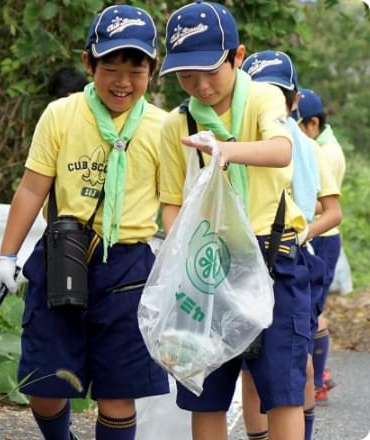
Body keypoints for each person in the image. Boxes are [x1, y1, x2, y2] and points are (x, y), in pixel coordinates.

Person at [0, 5, 169, 440]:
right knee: (44, 386)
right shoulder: (61, 115)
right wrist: (6, 256)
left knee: (117, 393)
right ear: (89, 63)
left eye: (136, 68)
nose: (123, 81)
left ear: (153, 70)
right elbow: (33, 189)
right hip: (63, 258)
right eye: (110, 66)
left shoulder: (163, 127)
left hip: (129, 268)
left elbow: (173, 206)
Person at [159, 3, 311, 440]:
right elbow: (172, 203)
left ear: (237, 57)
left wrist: (225, 150)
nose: (201, 86)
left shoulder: (264, 97)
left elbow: (281, 150)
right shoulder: (178, 124)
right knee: (205, 386)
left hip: (272, 257)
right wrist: (181, 255)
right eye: (188, 76)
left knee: (281, 388)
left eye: (211, 71)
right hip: (208, 266)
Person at [240, 50, 342, 440]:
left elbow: (331, 211)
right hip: (249, 260)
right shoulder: (247, 142)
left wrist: (302, 233)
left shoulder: (307, 147)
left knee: (298, 364)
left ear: (294, 100)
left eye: (280, 94)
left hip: (295, 259)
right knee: (251, 367)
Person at [298, 88, 346, 403]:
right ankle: (318, 375)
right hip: (320, 237)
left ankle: (317, 377)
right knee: (315, 308)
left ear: (313, 124)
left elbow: (322, 204)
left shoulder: (323, 152)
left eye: (297, 124)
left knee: (313, 310)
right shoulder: (322, 144)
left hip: (321, 238)